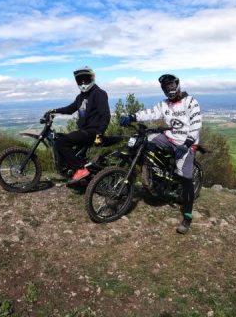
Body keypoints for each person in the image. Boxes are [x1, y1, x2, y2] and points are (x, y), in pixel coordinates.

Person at [120, 74, 202, 234]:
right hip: (169, 138)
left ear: (177, 84)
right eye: (166, 87)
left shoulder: (190, 102)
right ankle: (155, 175)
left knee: (186, 178)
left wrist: (187, 144)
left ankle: (187, 215)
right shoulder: (164, 104)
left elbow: (196, 123)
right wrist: (132, 117)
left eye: (171, 85)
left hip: (186, 143)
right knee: (145, 141)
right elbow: (150, 112)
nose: (169, 89)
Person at [45, 66, 111, 183]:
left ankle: (80, 169)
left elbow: (105, 115)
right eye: (80, 80)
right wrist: (54, 111)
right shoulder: (81, 96)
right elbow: (70, 109)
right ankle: (73, 172)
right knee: (58, 139)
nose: (83, 82)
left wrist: (100, 134)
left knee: (61, 143)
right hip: (84, 131)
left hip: (93, 132)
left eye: (86, 79)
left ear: (92, 78)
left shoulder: (99, 93)